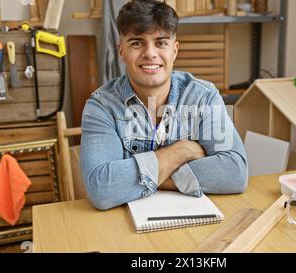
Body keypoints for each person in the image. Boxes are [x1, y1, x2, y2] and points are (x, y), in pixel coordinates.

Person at [80, 0, 248, 210]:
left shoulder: (203, 97)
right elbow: (101, 190)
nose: (150, 53)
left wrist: (147, 178)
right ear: (121, 51)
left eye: (161, 42)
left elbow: (235, 173)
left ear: (174, 50)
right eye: (137, 43)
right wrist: (182, 151)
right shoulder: (102, 106)